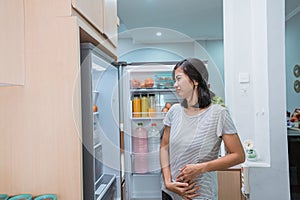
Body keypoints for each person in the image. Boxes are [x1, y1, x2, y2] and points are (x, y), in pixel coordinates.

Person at [160, 58, 245, 200]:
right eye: (174, 80)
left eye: (179, 79)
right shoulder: (174, 111)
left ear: (195, 80)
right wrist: (168, 181)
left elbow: (238, 155)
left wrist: (200, 168)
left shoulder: (219, 113)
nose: (175, 85)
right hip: (170, 193)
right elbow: (164, 146)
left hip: (200, 194)